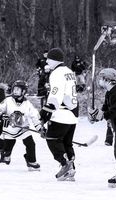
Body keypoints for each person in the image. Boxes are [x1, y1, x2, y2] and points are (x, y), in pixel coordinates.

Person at [39, 47, 79, 181]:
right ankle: (71, 169)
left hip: (61, 114)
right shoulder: (69, 71)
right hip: (72, 114)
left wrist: (45, 114)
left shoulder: (56, 73)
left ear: (53, 60)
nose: (46, 62)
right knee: (67, 143)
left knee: (52, 139)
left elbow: (55, 96)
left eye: (48, 60)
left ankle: (64, 164)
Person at [0, 80, 42, 170]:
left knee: (31, 144)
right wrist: (1, 116)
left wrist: (39, 128)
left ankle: (31, 161)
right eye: (14, 89)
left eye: (18, 89)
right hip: (10, 128)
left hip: (23, 128)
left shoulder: (27, 104)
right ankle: (6, 154)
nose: (15, 91)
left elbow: (35, 116)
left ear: (23, 91)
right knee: (8, 147)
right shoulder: (8, 101)